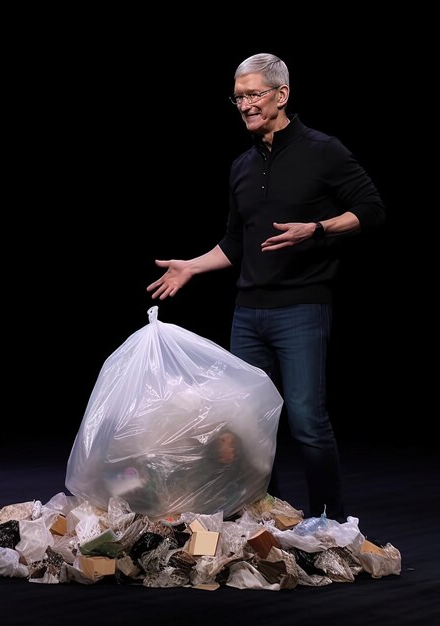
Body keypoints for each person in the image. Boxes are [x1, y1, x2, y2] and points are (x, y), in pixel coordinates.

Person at [146, 52, 385, 523]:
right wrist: (192, 266)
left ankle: (329, 523)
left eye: (255, 94)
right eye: (238, 98)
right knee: (249, 425)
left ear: (283, 94)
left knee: (307, 421)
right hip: (248, 312)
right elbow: (236, 243)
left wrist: (316, 229)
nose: (246, 105)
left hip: (301, 307)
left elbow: (372, 209)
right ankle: (266, 514)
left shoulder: (322, 150)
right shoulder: (241, 165)